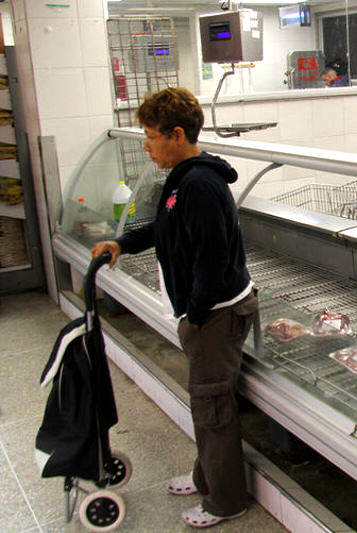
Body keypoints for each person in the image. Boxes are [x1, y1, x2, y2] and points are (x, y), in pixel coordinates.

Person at [91, 87, 257, 528]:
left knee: (212, 409)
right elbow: (164, 230)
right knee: (206, 403)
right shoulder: (181, 178)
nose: (146, 146)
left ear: (177, 134)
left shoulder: (199, 184)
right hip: (206, 313)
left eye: (150, 136)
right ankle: (208, 477)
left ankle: (225, 500)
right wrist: (121, 244)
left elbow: (213, 260)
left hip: (216, 315)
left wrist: (196, 315)